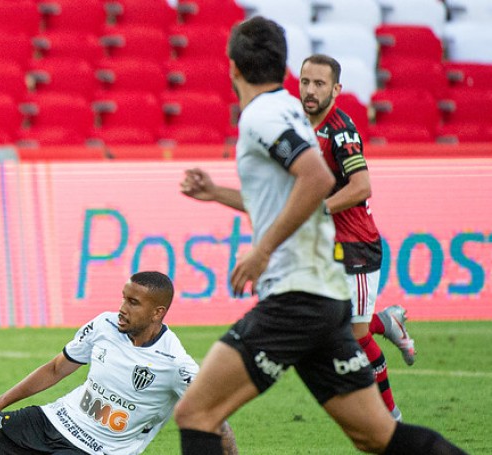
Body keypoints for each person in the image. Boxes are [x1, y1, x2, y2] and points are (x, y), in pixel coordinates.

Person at [174, 16, 465, 454]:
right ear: (285, 67)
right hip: (325, 298)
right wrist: (216, 193)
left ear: (232, 67)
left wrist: (262, 250)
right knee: (376, 436)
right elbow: (289, 195)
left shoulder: (261, 116)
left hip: (295, 298)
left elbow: (314, 177)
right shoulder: (291, 110)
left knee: (195, 414)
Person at [0, 271, 239, 455]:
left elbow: (215, 421)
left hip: (97, 450)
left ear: (157, 312)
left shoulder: (175, 365)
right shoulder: (105, 325)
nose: (122, 307)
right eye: (123, 297)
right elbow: (56, 368)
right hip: (50, 421)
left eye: (133, 303)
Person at [299, 53, 416, 420]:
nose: (311, 90)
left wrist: (317, 210)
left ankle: (391, 416)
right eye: (305, 82)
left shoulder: (341, 130)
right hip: (325, 245)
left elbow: (362, 186)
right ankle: (389, 322)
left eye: (319, 84)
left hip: (356, 247)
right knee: (331, 326)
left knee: (357, 338)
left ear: (336, 89)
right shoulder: (298, 125)